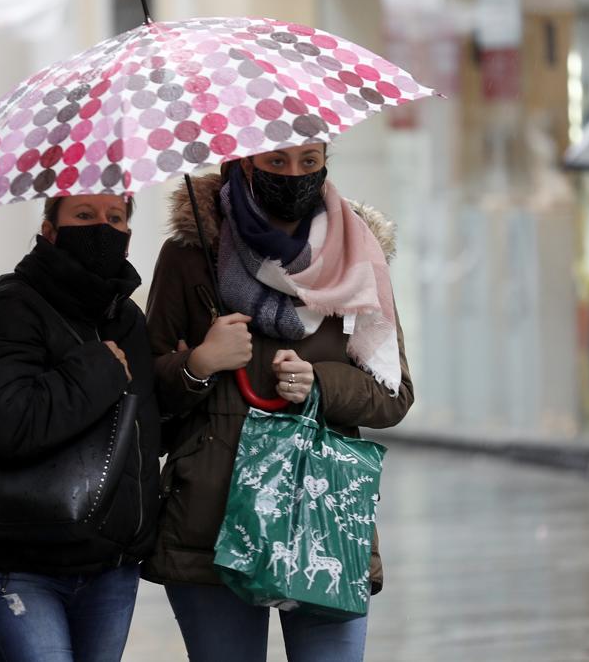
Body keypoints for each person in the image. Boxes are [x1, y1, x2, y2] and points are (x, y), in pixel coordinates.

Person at [142, 143, 413, 662]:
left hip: (322, 513)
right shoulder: (190, 251)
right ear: (246, 161)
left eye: (309, 161)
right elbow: (150, 393)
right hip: (210, 519)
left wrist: (322, 384)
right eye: (277, 161)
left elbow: (393, 392)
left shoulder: (358, 252)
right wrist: (199, 363)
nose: (294, 174)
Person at [0, 194, 161, 662]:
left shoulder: (127, 318)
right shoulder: (14, 303)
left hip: (109, 566)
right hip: (20, 561)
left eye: (116, 218)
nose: (102, 228)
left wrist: (197, 368)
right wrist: (99, 370)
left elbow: (147, 432)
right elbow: (9, 424)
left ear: (128, 236)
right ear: (50, 230)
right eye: (84, 216)